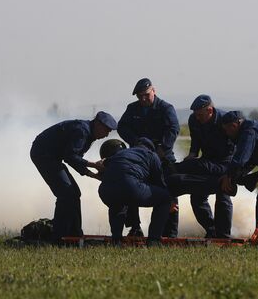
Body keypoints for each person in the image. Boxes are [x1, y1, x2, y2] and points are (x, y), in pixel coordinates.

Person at [30, 111, 117, 240]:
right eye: (106, 130)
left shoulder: (89, 135)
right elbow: (70, 157)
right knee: (66, 193)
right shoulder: (82, 132)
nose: (106, 135)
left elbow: (74, 159)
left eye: (109, 131)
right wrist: (94, 165)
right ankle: (59, 236)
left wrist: (92, 174)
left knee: (75, 194)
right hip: (44, 155)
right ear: (98, 124)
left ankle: (74, 234)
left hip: (54, 157)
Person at [117, 78, 180, 237]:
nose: (143, 99)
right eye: (139, 96)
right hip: (139, 157)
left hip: (162, 156)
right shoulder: (132, 108)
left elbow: (173, 129)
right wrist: (135, 141)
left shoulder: (166, 108)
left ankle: (170, 233)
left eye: (146, 95)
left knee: (170, 190)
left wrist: (162, 148)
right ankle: (135, 227)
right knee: (131, 188)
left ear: (154, 90)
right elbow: (122, 127)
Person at [173, 94, 235, 238]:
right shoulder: (193, 119)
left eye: (200, 114)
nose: (197, 118)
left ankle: (223, 236)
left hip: (226, 162)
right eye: (195, 114)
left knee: (223, 196)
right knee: (197, 197)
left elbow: (236, 144)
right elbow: (195, 141)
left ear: (210, 111)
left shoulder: (225, 120)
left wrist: (231, 172)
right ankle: (211, 230)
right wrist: (192, 154)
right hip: (206, 160)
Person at [98, 138, 172, 246]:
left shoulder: (121, 154)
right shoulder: (151, 154)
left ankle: (116, 239)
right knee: (165, 198)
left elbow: (106, 167)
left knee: (118, 202)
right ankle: (154, 240)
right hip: (130, 188)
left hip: (105, 191)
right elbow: (159, 183)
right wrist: (170, 202)